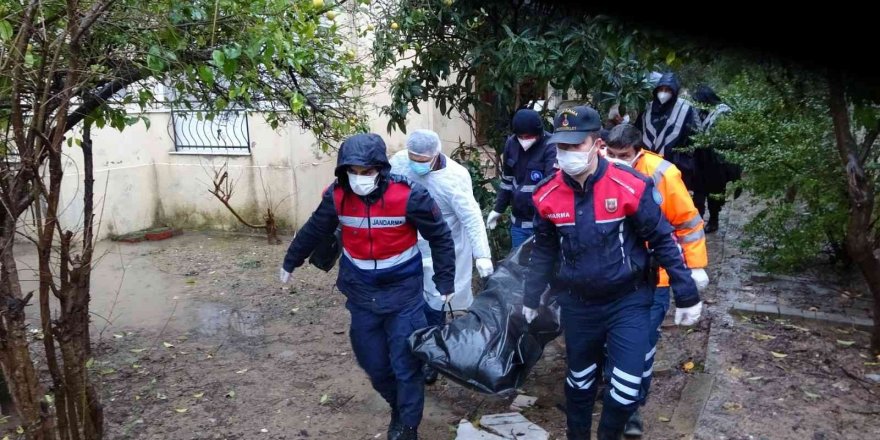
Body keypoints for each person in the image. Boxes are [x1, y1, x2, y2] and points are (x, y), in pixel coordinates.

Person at [523, 106, 703, 440]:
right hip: (578, 305)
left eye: (576, 146)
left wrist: (687, 293)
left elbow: (662, 238)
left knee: (624, 391)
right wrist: (531, 297)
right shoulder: (546, 193)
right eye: (562, 146)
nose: (567, 153)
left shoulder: (630, 184)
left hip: (628, 302)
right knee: (579, 385)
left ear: (596, 144)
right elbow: (545, 249)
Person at [279, 133, 456, 440]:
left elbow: (440, 235)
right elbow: (314, 228)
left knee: (406, 366)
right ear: (343, 171)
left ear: (381, 170)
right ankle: (398, 407)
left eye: (367, 172)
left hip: (403, 294)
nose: (360, 179)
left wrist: (444, 280)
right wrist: (291, 260)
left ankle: (408, 426)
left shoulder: (408, 195)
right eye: (353, 172)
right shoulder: (337, 196)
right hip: (361, 293)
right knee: (373, 363)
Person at [604, 124, 709, 436]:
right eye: (610, 154)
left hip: (654, 277)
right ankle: (615, 394)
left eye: (622, 155)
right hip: (613, 276)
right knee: (613, 345)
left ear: (639, 151)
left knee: (640, 346)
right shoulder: (601, 170)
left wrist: (695, 266)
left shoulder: (662, 174)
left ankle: (632, 407)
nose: (614, 160)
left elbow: (687, 221)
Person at [389, 129, 494, 384]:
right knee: (410, 299)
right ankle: (410, 348)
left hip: (444, 245)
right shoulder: (401, 162)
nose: (417, 164)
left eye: (422, 160)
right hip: (409, 242)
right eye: (414, 157)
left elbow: (471, 217)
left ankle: (431, 358)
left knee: (437, 301)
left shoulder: (455, 177)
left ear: (436, 154)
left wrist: (482, 255)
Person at [486, 109, 557, 248]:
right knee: (517, 266)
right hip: (518, 223)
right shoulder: (511, 144)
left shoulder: (551, 146)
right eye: (521, 137)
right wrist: (498, 209)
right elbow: (507, 181)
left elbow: (552, 187)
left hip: (543, 223)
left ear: (538, 133)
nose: (524, 140)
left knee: (542, 266)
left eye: (528, 136)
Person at [636, 72, 700, 190]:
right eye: (661, 89)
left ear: (674, 92)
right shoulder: (647, 109)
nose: (663, 93)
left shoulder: (685, 109)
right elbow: (637, 131)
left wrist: (685, 160)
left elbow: (695, 137)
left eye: (668, 90)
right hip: (647, 165)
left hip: (675, 165)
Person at [691, 85, 741, 233]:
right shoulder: (698, 112)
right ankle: (697, 220)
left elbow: (728, 139)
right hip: (700, 159)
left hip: (717, 162)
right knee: (698, 192)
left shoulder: (722, 112)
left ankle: (714, 219)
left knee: (714, 193)